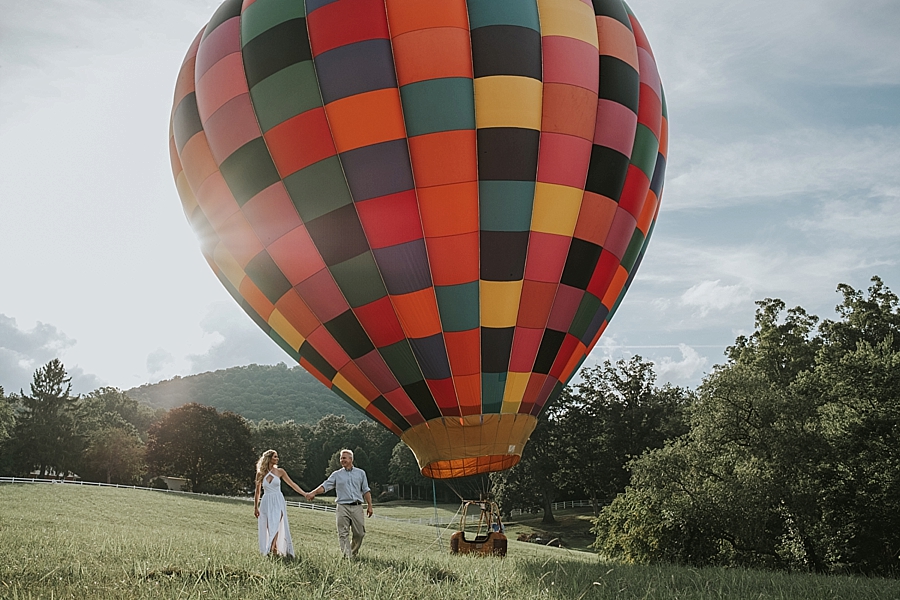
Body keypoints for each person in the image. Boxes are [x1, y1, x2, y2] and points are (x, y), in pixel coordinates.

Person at [306, 449, 373, 559]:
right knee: (343, 533)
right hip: (342, 507)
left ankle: (352, 552)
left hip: (357, 506)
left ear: (351, 459)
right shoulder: (336, 475)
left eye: (344, 458)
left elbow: (366, 490)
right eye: (341, 458)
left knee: (360, 533)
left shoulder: (361, 473)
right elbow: (325, 486)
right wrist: (313, 493)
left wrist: (370, 505)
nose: (342, 460)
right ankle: (348, 557)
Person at [254, 449, 308, 558]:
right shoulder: (260, 473)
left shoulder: (280, 472)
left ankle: (271, 549)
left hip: (278, 500)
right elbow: (258, 491)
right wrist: (255, 507)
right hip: (266, 501)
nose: (277, 458)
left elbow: (292, 484)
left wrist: (304, 494)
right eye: (275, 456)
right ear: (269, 458)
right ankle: (273, 550)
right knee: (268, 526)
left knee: (277, 524)